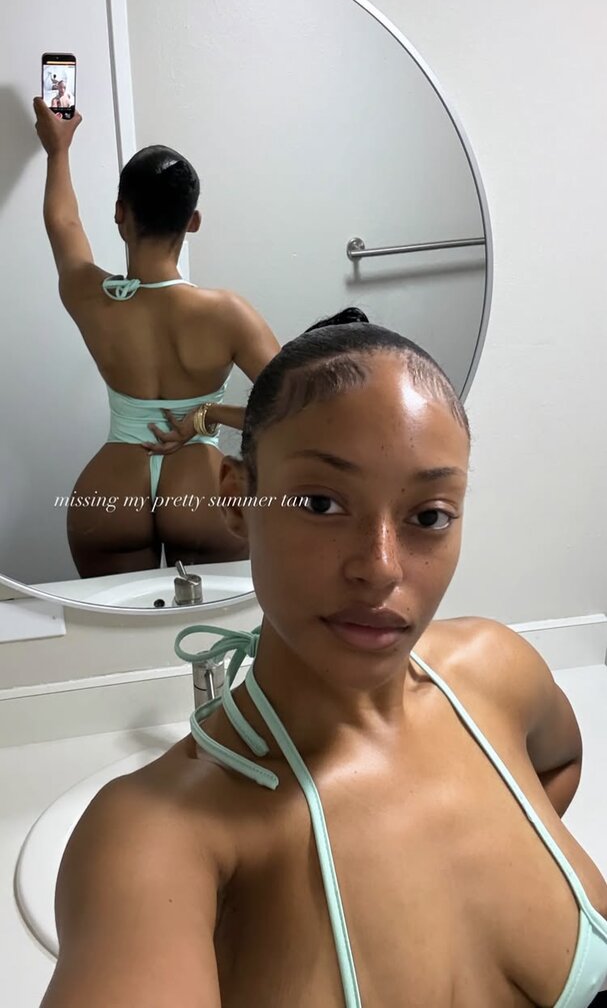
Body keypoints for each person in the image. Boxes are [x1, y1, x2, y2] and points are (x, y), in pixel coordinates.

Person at [40, 310, 607, 1007]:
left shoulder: (496, 671)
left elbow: (558, 761)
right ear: (236, 500)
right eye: (320, 502)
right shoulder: (161, 837)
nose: (380, 568)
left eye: (429, 516)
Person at [33, 98, 280, 576]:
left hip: (109, 495)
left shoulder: (90, 294)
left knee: (117, 623)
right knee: (211, 620)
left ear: (119, 213)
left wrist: (57, 151)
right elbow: (299, 407)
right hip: (203, 493)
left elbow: (64, 224)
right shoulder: (228, 313)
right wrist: (207, 416)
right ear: (193, 221)